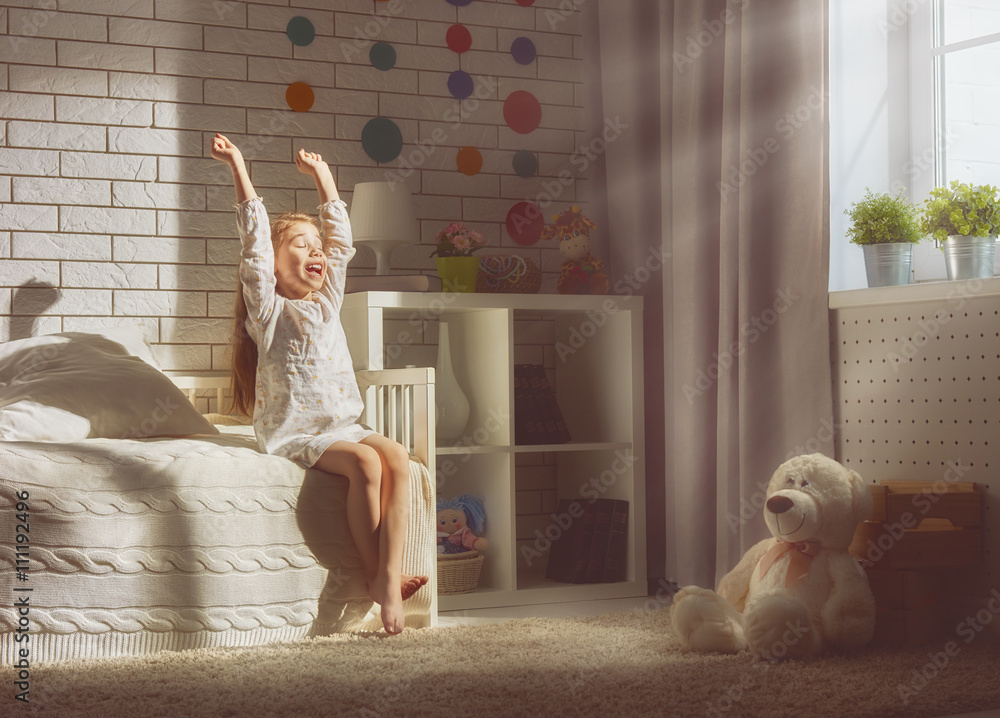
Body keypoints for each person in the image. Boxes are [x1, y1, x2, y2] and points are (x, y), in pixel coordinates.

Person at [211, 133, 427, 634]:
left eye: (317, 246)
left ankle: (388, 576)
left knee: (394, 455)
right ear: (274, 261)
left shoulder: (327, 301)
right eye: (299, 245)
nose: (316, 252)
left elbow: (342, 244)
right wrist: (239, 166)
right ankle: (376, 578)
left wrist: (324, 179)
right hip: (297, 433)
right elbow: (254, 246)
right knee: (365, 464)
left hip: (341, 424)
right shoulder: (269, 313)